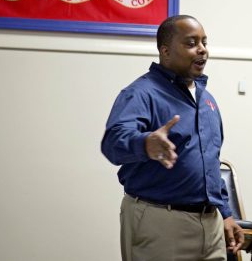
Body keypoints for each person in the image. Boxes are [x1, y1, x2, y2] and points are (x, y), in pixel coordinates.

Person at [101, 15, 244, 261]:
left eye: (204, 42)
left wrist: (226, 213)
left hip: (211, 227)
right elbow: (113, 143)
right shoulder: (141, 94)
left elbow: (209, 162)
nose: (202, 50)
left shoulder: (206, 100)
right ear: (165, 51)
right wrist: (145, 144)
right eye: (191, 43)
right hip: (160, 222)